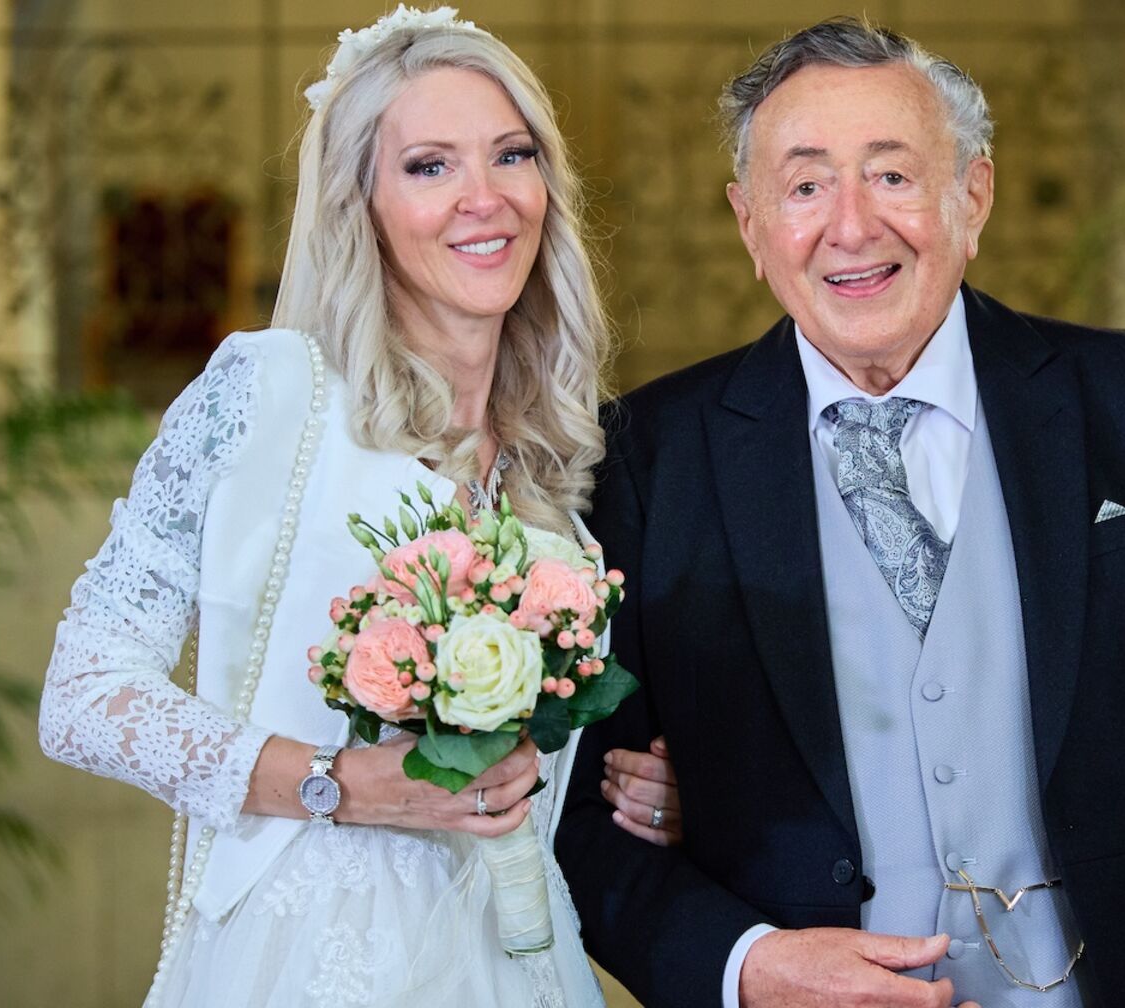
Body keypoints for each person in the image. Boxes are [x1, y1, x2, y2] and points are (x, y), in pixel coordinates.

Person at [556, 16, 1125, 1008]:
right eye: (805, 185)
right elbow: (588, 836)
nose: (853, 226)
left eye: (894, 175)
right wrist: (752, 965)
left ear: (975, 194)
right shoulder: (648, 458)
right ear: (751, 225)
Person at [39, 8, 667, 1005]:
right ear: (358, 204)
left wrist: (639, 790)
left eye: (511, 155)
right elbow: (81, 696)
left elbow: (540, 782)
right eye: (429, 166)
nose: (485, 198)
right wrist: (338, 782)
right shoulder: (269, 394)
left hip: (517, 963)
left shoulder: (557, 477)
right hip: (305, 962)